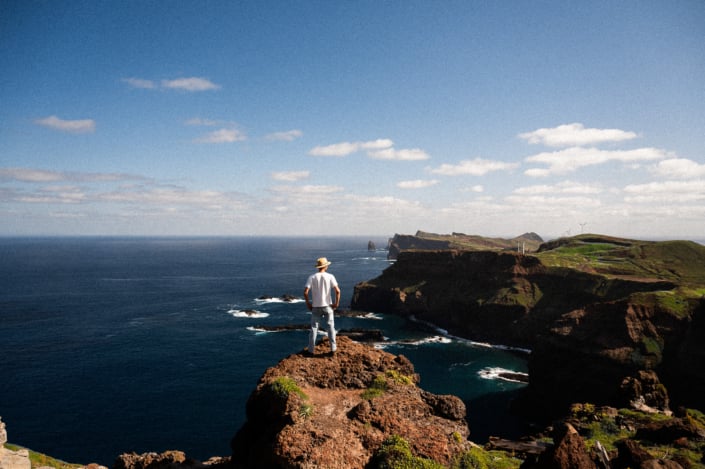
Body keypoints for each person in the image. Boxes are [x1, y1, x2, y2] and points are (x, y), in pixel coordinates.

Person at [303, 257, 341, 355]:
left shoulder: (312, 277)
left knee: (314, 329)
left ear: (318, 267)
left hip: (315, 307)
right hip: (328, 306)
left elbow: (305, 292)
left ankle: (311, 351)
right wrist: (336, 303)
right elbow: (337, 291)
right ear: (326, 266)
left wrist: (308, 304)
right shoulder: (330, 276)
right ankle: (333, 350)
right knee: (331, 328)